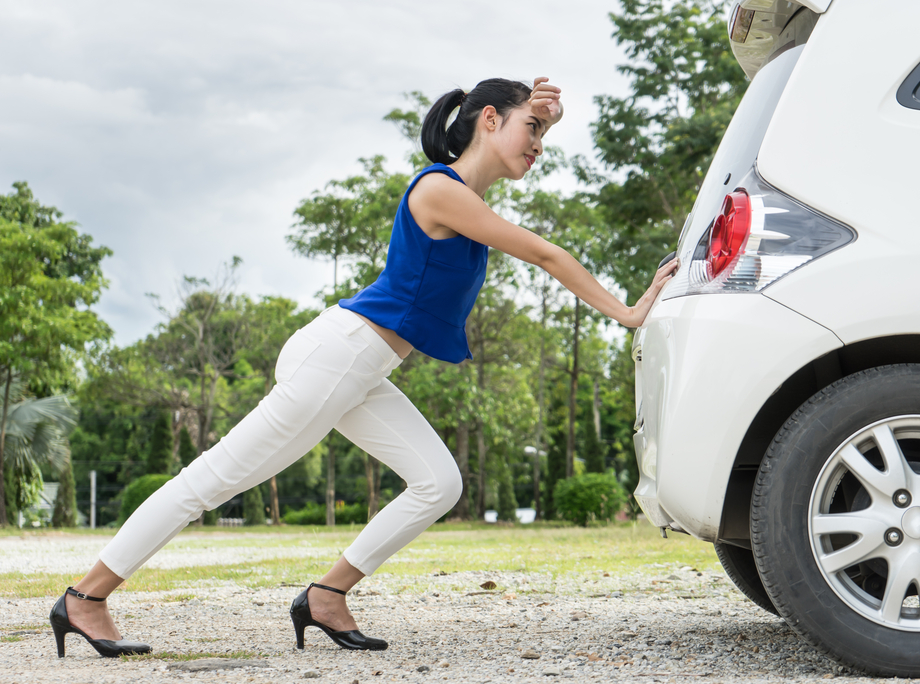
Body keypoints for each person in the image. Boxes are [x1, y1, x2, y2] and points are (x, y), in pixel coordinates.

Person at [48, 76, 679, 658]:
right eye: (530, 131)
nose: (539, 146)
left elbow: (521, 173)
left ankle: (326, 596)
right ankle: (86, 598)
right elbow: (544, 253)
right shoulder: (440, 189)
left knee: (439, 483)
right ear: (489, 119)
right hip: (338, 354)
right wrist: (626, 312)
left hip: (362, 366)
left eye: (543, 135)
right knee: (210, 483)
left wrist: (545, 118)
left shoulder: (469, 196)